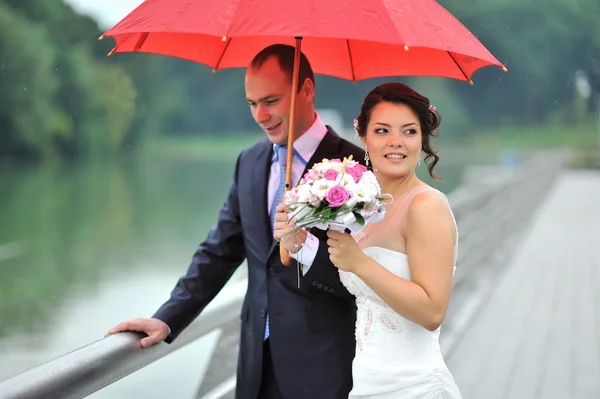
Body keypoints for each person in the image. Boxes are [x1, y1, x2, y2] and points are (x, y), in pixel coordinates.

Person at [105, 44, 365, 399]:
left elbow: (367, 276)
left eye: (271, 101)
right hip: (255, 364)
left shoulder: (356, 165)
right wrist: (167, 318)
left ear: (307, 90)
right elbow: (219, 252)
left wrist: (304, 246)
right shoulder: (250, 162)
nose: (260, 115)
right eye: (252, 103)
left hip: (326, 366)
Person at [325, 82, 463, 398]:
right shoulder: (366, 205)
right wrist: (294, 238)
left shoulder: (426, 206)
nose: (396, 142)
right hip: (367, 385)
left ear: (422, 139)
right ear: (363, 135)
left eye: (409, 131)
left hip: (415, 387)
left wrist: (359, 263)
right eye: (383, 130)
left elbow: (432, 312)